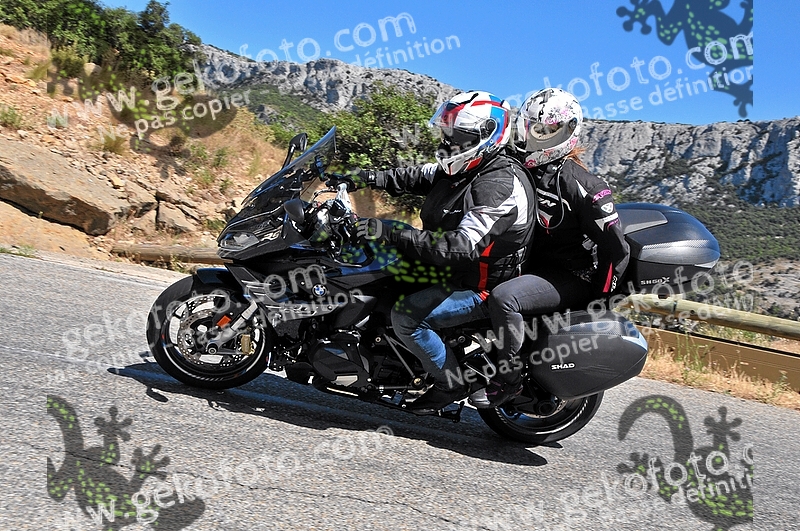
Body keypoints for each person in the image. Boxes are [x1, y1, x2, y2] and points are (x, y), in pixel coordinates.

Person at [331, 90, 536, 414]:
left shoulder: (498, 186)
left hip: (479, 285)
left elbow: (460, 247)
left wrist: (391, 233)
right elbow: (414, 176)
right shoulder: (465, 165)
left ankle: (449, 383)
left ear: (487, 136)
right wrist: (365, 177)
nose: (449, 142)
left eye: (458, 136)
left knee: (407, 317)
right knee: (376, 267)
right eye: (447, 133)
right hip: (450, 268)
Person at [470, 87, 630, 408]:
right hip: (532, 264)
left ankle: (509, 378)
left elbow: (616, 249)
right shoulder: (524, 166)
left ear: (566, 132)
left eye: (545, 130)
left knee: (505, 299)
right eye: (531, 127)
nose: (535, 136)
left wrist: (600, 304)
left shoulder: (584, 186)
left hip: (570, 275)